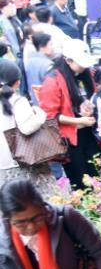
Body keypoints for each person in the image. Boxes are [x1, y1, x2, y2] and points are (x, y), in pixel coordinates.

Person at [38, 39, 99, 190]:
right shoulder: (52, 80)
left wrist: (87, 108)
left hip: (89, 132)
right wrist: (78, 121)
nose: (84, 66)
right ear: (68, 60)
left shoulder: (85, 73)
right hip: (70, 139)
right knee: (81, 183)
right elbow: (50, 115)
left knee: (96, 178)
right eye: (80, 63)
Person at [0, 60, 58, 196]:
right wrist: (39, 113)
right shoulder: (18, 100)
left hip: (3, 166)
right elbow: (27, 128)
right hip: (25, 162)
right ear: (17, 81)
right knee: (42, 201)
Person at [23, 33, 53, 106]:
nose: (52, 47)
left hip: (36, 103)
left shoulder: (30, 61)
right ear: (42, 47)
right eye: (50, 44)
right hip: (49, 105)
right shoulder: (48, 65)